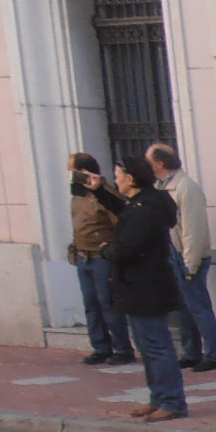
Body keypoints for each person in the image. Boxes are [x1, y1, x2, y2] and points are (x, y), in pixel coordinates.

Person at [85, 154, 187, 422]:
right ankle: (158, 397)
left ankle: (172, 401)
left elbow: (128, 246)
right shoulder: (144, 202)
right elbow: (125, 210)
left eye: (118, 176)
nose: (115, 180)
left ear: (131, 179)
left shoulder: (148, 208)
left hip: (146, 287)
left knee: (157, 346)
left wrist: (108, 250)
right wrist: (100, 190)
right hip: (139, 287)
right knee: (147, 346)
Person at [147, 142, 216, 372]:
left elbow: (193, 228)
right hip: (172, 252)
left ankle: (213, 355)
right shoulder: (161, 187)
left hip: (187, 254)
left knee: (198, 306)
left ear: (160, 163)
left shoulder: (185, 187)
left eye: (149, 161)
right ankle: (191, 352)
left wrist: (190, 264)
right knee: (183, 307)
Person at [67, 153, 130, 365]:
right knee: (91, 304)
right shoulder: (77, 196)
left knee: (108, 303)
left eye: (74, 170)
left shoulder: (105, 195)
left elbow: (121, 222)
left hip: (101, 257)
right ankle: (100, 347)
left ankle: (122, 348)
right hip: (83, 256)